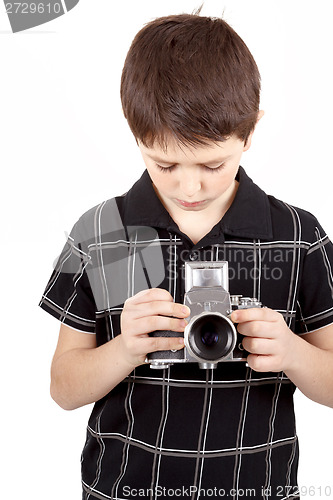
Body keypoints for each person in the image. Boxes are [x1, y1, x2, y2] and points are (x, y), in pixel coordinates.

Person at [39, 12, 333, 500]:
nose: (189, 186)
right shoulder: (98, 232)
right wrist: (126, 348)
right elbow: (62, 387)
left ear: (250, 132)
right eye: (165, 163)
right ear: (135, 135)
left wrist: (292, 353)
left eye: (213, 164)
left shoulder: (298, 236)